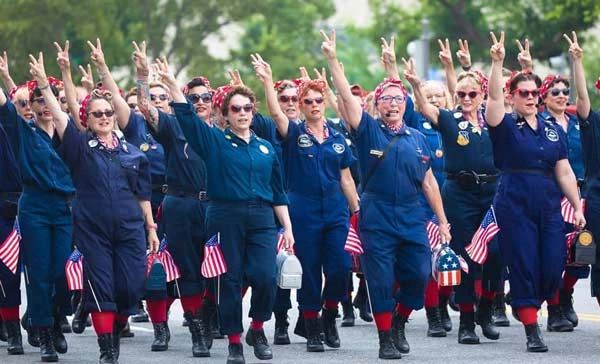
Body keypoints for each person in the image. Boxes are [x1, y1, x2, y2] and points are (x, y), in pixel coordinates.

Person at [156, 57, 294, 364]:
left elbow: (278, 192)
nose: (242, 113)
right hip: (224, 215)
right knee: (228, 281)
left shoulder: (265, 148)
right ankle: (234, 341)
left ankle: (257, 328)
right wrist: (171, 86)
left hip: (261, 217)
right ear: (225, 113)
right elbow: (189, 121)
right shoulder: (215, 141)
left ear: (252, 111)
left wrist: (288, 229)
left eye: (247, 108)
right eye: (235, 108)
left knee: (265, 276)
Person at [323, 29, 451, 360]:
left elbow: (430, 183)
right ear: (377, 105)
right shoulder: (367, 130)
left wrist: (442, 220)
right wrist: (333, 60)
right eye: (386, 100)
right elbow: (347, 99)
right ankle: (384, 339)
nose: (392, 104)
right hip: (377, 215)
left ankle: (399, 321)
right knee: (379, 280)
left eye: (398, 99)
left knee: (419, 276)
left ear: (405, 105)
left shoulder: (417, 138)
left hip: (412, 216)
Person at [485, 31, 585, 352]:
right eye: (523, 93)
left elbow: (565, 170)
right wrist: (498, 62)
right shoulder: (503, 124)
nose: (529, 98)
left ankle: (529, 301)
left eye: (532, 93)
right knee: (524, 262)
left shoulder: (553, 128)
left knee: (554, 263)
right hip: (514, 199)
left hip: (548, 201)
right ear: (513, 96)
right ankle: (531, 328)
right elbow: (494, 102)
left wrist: (577, 207)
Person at [252, 54, 359, 352]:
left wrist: (357, 212)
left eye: (317, 100)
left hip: (336, 211)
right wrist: (266, 81)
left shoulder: (337, 138)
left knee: (339, 268)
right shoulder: (295, 133)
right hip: (304, 210)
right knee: (310, 271)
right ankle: (311, 325)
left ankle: (328, 315)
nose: (313, 105)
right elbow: (275, 114)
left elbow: (347, 179)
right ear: (300, 106)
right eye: (307, 101)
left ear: (324, 103)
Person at [407, 42, 502, 345]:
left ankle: (487, 308)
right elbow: (424, 107)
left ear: (481, 95)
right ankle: (467, 322)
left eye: (472, 94)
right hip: (459, 193)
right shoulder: (449, 119)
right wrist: (415, 85)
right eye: (461, 95)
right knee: (463, 257)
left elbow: (499, 92)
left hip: (491, 191)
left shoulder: (493, 118)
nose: (466, 98)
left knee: (497, 253)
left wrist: (492, 62)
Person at [0, 53, 73, 362]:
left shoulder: (70, 134)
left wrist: (64, 74)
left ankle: (55, 318)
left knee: (62, 273)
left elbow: (72, 108)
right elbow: (5, 108)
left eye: (50, 99)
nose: (45, 105)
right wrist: (4, 76)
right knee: (40, 273)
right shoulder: (24, 133)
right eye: (38, 100)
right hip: (35, 206)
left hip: (65, 208)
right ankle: (43, 332)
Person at [538, 73, 585, 331]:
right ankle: (554, 308)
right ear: (543, 97)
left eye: (564, 91)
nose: (561, 95)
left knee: (582, 252)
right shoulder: (538, 123)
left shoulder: (577, 123)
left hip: (580, 194)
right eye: (554, 91)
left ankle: (566, 295)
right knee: (555, 255)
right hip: (551, 196)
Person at [566, 31, 600, 319]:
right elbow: (582, 98)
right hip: (597, 196)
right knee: (598, 260)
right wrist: (577, 61)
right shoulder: (594, 121)